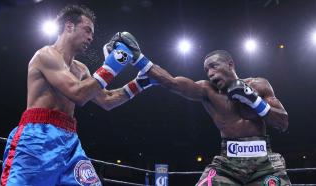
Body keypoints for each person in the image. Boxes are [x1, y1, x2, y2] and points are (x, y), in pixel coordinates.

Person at [0, 5, 153, 186]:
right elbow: (78, 94)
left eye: (92, 34)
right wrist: (113, 64)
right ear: (69, 26)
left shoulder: (81, 69)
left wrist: (140, 83)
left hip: (69, 141)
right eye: (87, 30)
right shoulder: (45, 55)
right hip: (37, 138)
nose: (90, 38)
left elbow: (107, 100)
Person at [111, 34, 291, 185]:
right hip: (228, 163)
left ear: (230, 64)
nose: (210, 73)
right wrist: (138, 59)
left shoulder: (258, 84)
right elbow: (172, 82)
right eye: (206, 70)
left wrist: (254, 100)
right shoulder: (207, 90)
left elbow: (282, 122)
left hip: (264, 161)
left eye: (214, 66)